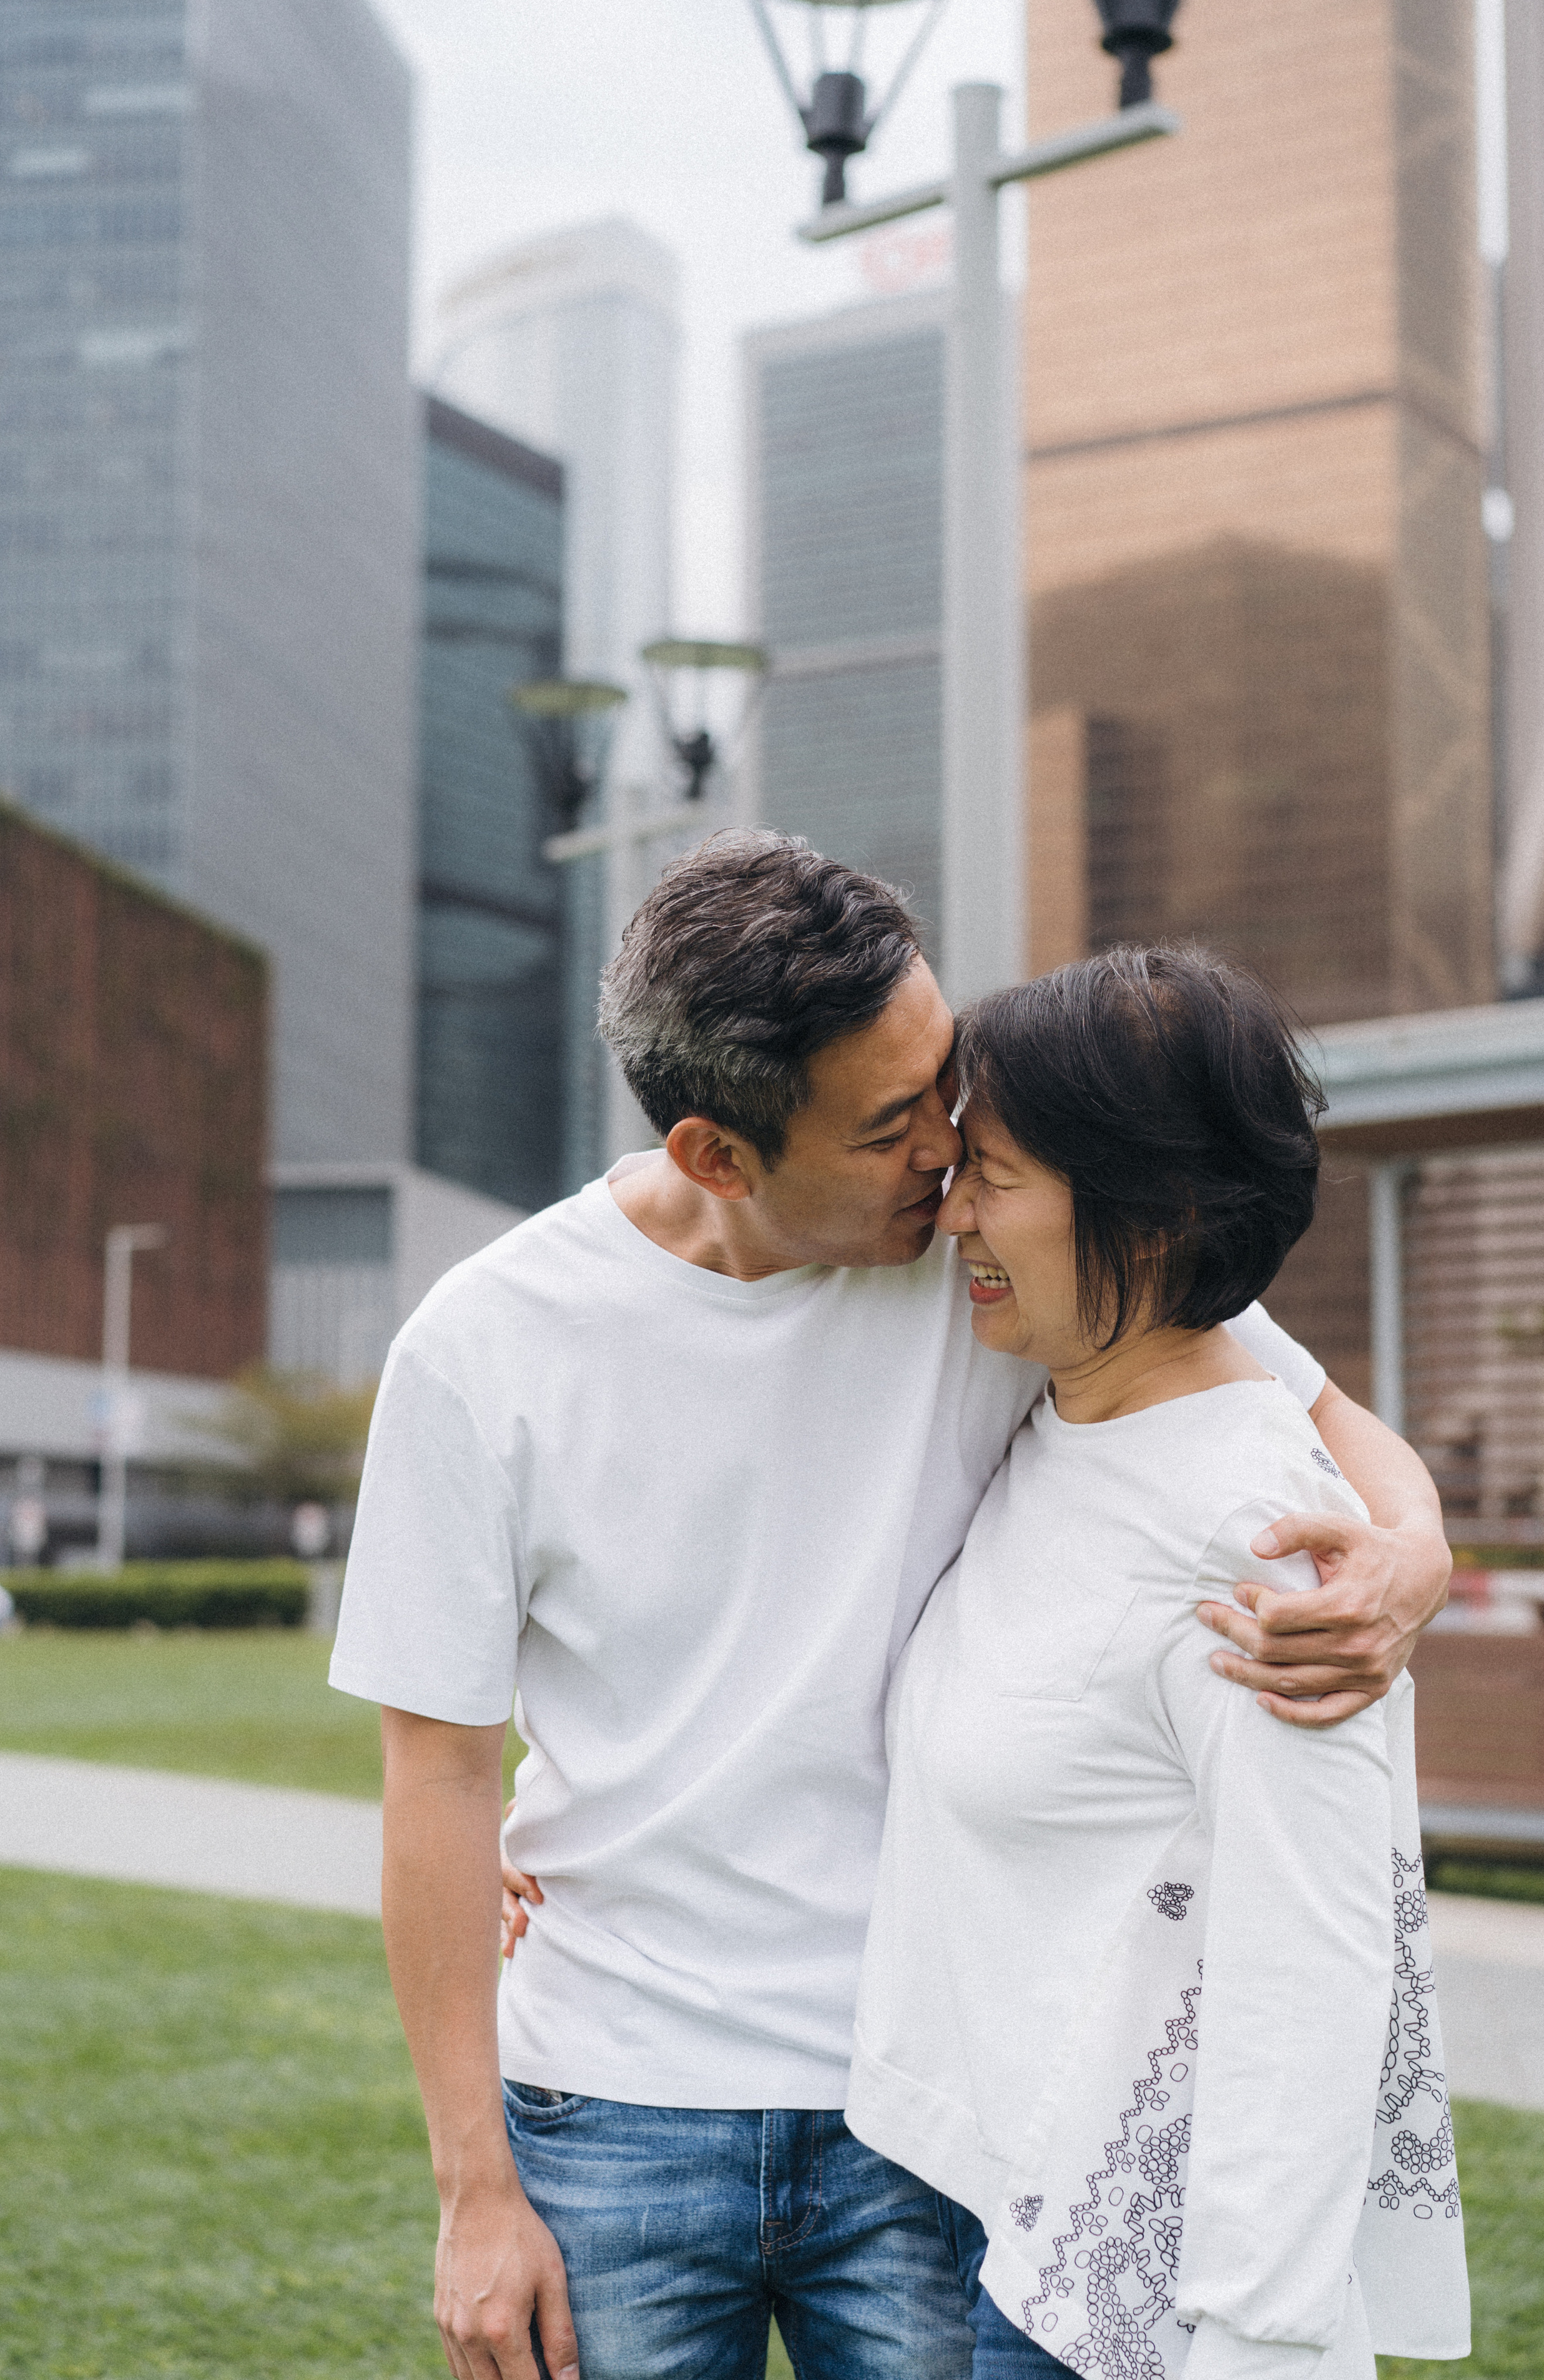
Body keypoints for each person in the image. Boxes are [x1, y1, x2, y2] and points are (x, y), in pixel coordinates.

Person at [329, 833, 1452, 2380]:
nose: (945, 1144)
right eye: (889, 1125)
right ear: (720, 1154)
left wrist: (1415, 1548)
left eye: (944, 1082)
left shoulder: (1011, 1244)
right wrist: (472, 2193)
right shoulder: (482, 1349)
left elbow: (1286, 1399)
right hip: (615, 2104)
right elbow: (435, 1773)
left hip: (927, 2108)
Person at [847, 946, 1470, 2379]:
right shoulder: (1067, 1404)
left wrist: (1251, 2335)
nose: (950, 1217)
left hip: (1104, 2306)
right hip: (960, 2199)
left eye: (990, 1173)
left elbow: (1309, 1968)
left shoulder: (1251, 1533)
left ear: (1154, 1211)